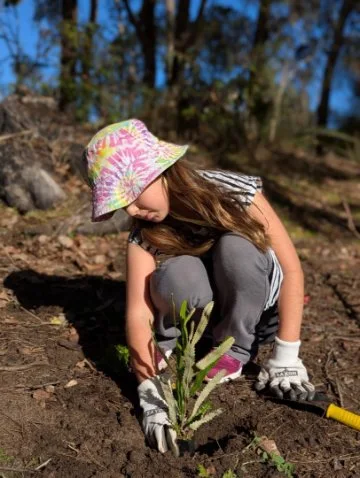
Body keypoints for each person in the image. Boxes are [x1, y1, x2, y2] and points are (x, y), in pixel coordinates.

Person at [81, 118, 316, 454]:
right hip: (198, 319)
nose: (131, 209)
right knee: (178, 274)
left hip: (254, 310)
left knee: (236, 249)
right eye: (121, 204)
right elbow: (137, 313)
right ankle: (178, 344)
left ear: (161, 170)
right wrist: (149, 391)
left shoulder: (233, 192)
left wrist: (286, 357)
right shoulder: (143, 234)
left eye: (132, 192)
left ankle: (235, 346)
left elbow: (292, 269)